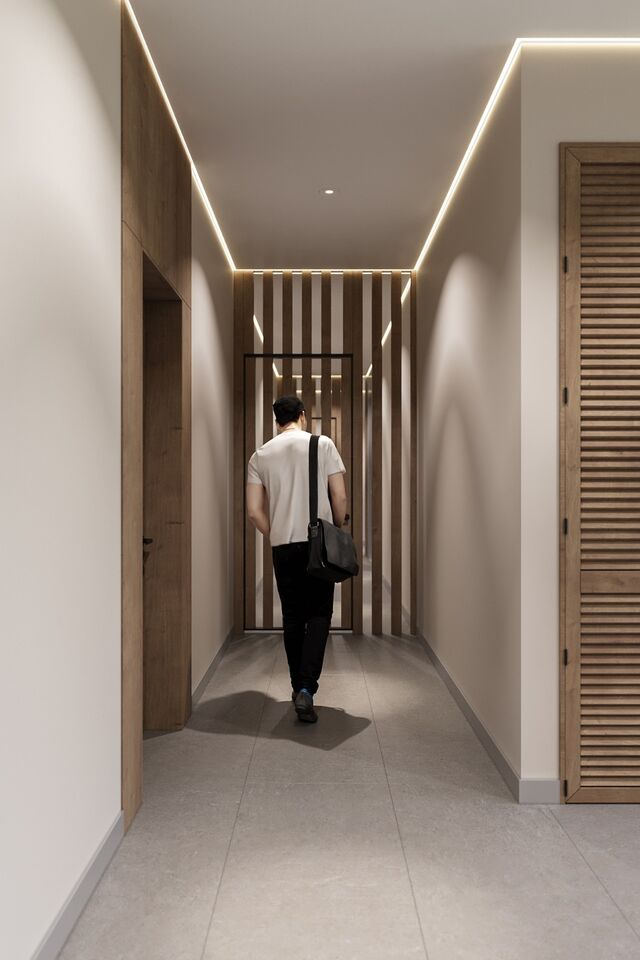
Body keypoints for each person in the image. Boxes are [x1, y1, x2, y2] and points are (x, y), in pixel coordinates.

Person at [246, 395, 348, 723]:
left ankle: (297, 685)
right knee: (319, 614)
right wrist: (339, 525)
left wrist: (275, 532)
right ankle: (306, 687)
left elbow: (253, 511)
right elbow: (339, 496)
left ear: (277, 420)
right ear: (303, 416)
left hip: (283, 546)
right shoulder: (323, 444)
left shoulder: (260, 455)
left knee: (292, 616)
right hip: (318, 544)